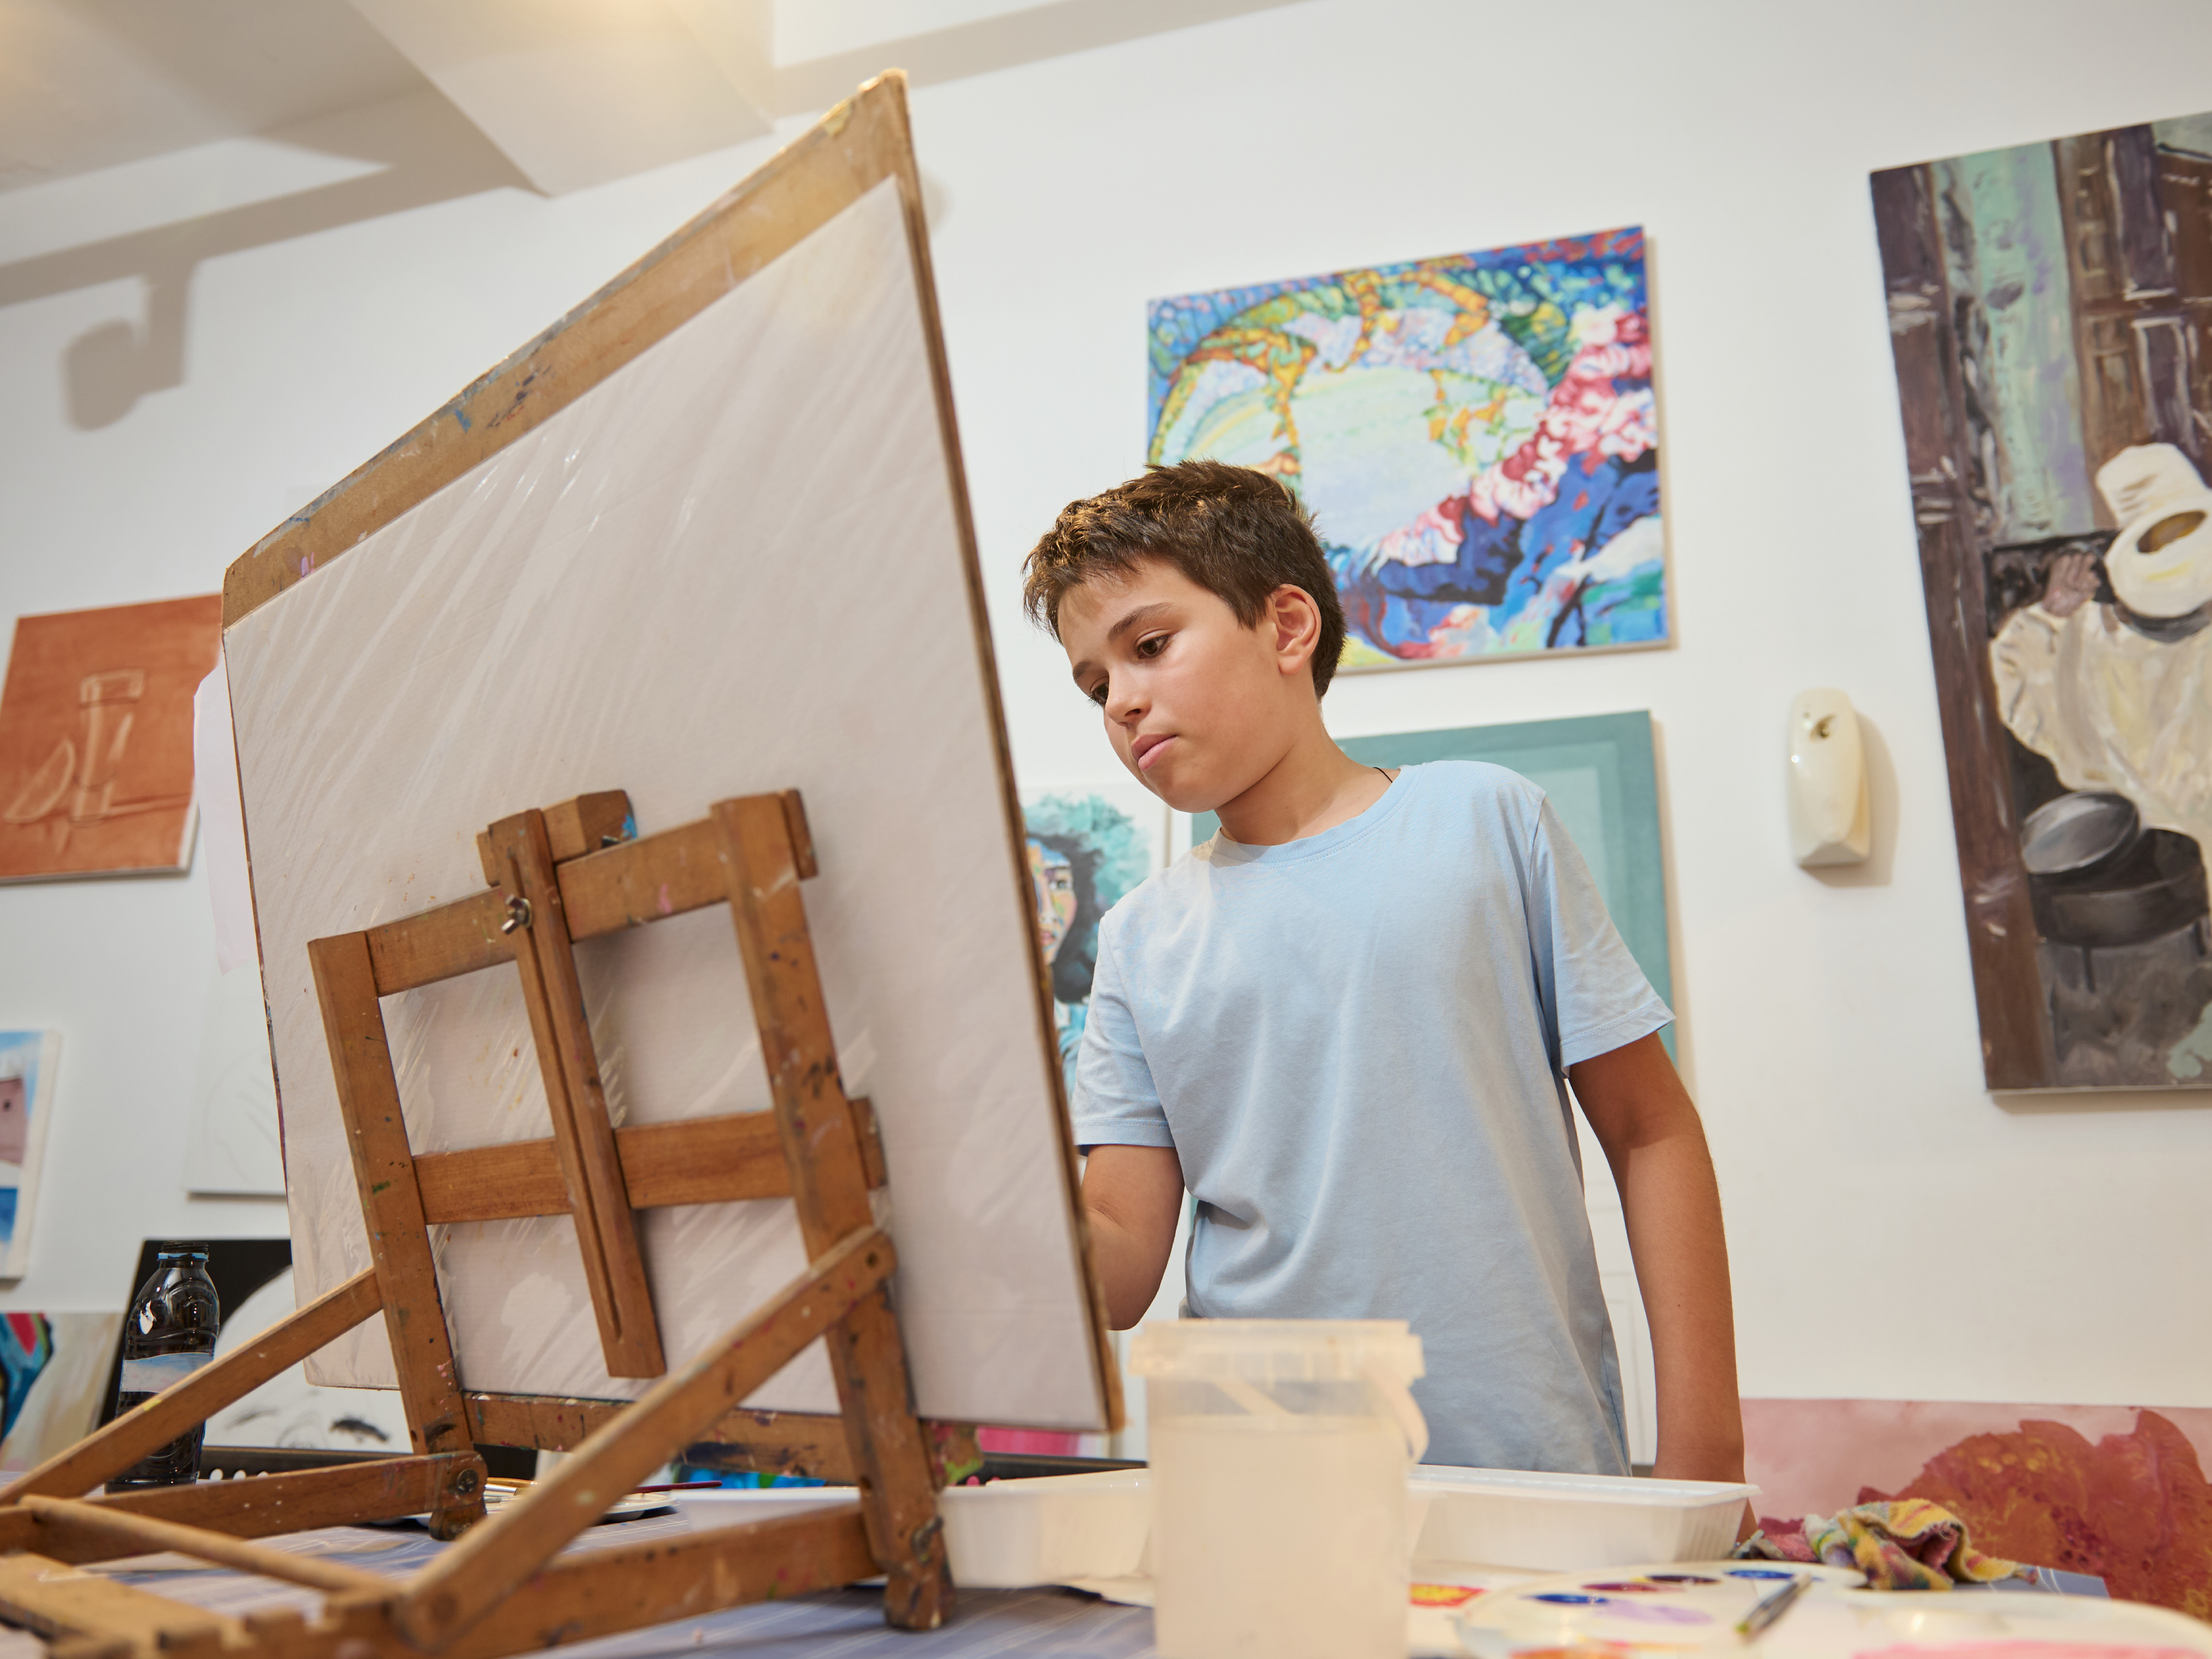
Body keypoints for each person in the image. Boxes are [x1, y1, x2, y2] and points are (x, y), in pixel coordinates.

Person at [1020, 458, 1744, 1480]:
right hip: (1259, 1491)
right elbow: (1120, 1271)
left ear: (1285, 626)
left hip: (1527, 1467)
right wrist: (967, 1183)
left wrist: (1706, 1450)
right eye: (1097, 684)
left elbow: (1650, 1127)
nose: (1122, 702)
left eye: (1148, 646)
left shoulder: (1485, 819)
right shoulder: (1141, 935)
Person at [1990, 442, 2212, 887]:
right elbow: (2022, 690)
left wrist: (2050, 617)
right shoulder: (2087, 645)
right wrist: (2053, 617)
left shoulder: (2083, 639)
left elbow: (2022, 694)